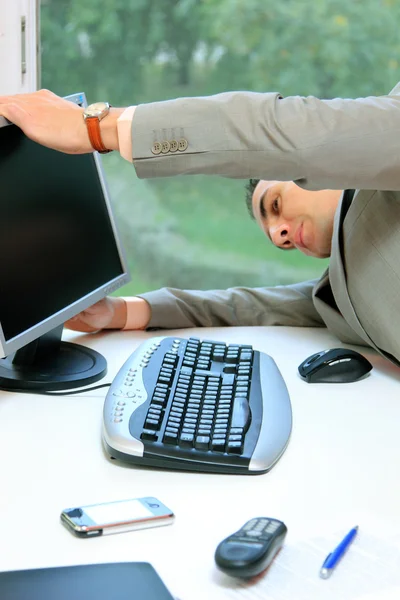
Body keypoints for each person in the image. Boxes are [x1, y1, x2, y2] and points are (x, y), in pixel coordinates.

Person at [1, 85, 400, 366]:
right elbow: (250, 305)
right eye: (278, 239)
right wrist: (124, 312)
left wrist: (96, 128)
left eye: (275, 203)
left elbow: (290, 133)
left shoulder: (384, 144)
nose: (280, 233)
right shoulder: (339, 295)